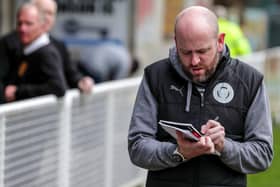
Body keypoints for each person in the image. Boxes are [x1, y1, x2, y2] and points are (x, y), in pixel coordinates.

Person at [128, 6, 273, 187]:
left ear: (220, 41)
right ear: (175, 42)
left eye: (202, 51)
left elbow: (263, 155)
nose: (194, 61)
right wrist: (179, 152)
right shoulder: (155, 76)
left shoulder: (249, 81)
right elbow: (137, 147)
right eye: (186, 52)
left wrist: (224, 146)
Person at [4, 2, 67, 102]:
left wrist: (19, 91)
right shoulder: (25, 49)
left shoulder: (46, 53)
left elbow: (58, 87)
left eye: (29, 24)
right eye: (20, 23)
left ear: (42, 26)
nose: (22, 28)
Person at [32, 0, 94, 93]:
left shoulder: (58, 45)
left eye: (51, 14)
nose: (46, 18)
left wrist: (82, 81)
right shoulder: (11, 43)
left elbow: (71, 74)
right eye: (43, 13)